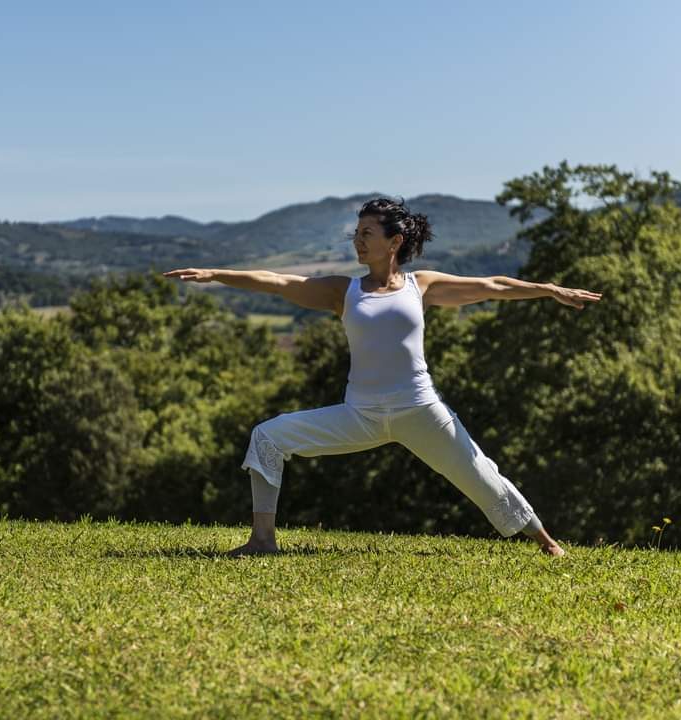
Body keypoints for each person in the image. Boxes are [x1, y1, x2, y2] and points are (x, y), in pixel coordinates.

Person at [164, 197, 602, 558]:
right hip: (361, 414)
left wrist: (548, 289)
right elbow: (278, 281)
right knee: (267, 436)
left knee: (481, 474)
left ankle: (547, 544)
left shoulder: (422, 286)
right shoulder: (344, 291)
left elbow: (494, 285)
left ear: (394, 241)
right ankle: (262, 541)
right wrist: (215, 274)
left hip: (421, 411)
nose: (357, 241)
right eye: (356, 234)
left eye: (366, 234)